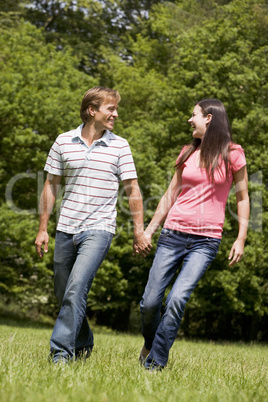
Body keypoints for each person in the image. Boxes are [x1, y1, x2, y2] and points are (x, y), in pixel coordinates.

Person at [35, 86, 152, 364]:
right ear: (92, 111)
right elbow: (51, 185)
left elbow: (132, 189)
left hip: (99, 229)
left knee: (75, 289)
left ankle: (61, 355)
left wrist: (139, 229)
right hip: (66, 228)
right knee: (63, 292)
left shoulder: (119, 145)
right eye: (110, 109)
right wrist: (43, 228)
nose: (116, 114)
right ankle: (84, 339)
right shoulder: (63, 141)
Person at [138, 99, 250, 371]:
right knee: (150, 302)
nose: (190, 120)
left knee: (177, 299)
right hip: (172, 234)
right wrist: (149, 230)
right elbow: (170, 194)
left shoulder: (233, 153)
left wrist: (241, 237)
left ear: (209, 118)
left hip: (206, 241)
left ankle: (155, 365)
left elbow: (244, 198)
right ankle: (151, 343)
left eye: (194, 115)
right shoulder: (187, 152)